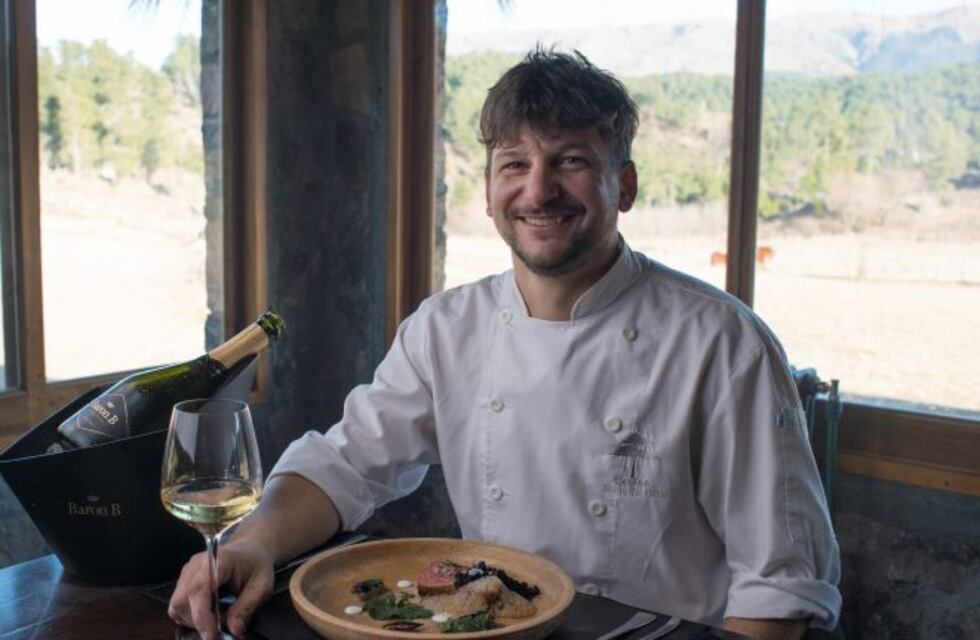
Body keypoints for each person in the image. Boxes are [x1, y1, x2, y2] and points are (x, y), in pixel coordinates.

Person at [169, 48, 841, 640]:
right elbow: (347, 466)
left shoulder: (722, 342)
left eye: (570, 161)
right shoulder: (446, 328)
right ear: (490, 193)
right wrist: (254, 542)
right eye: (514, 163)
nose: (538, 189)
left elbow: (776, 584)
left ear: (625, 186)